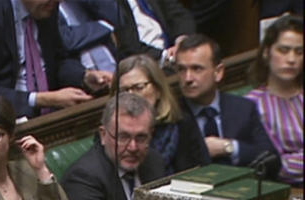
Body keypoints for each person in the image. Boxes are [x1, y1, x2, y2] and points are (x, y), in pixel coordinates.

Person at [0, 0, 111, 117]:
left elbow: (58, 61)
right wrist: (44, 99)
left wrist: (84, 77)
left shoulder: (45, 6)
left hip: (47, 116)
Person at [175, 34, 278, 170]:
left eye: (197, 69)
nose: (187, 78)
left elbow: (272, 160)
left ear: (218, 72)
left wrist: (229, 147)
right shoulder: (173, 114)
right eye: (182, 69)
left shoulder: (242, 108)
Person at [112, 54, 209, 175]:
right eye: (124, 91)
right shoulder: (109, 133)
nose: (131, 96)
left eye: (138, 87)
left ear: (157, 90)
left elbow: (203, 174)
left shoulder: (182, 124)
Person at [246, 15, 303, 185]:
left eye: (299, 52)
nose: (291, 59)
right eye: (283, 50)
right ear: (266, 52)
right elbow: (270, 163)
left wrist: (284, 161)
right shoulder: (250, 105)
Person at [113, 0, 194, 65]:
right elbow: (129, 45)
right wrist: (165, 55)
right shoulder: (112, 5)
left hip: (176, 48)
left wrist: (180, 42)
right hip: (146, 62)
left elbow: (180, 15)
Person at [57, 0, 118, 74]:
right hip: (79, 73)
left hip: (112, 60)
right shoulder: (47, 7)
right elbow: (67, 40)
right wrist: (104, 26)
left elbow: (114, 13)